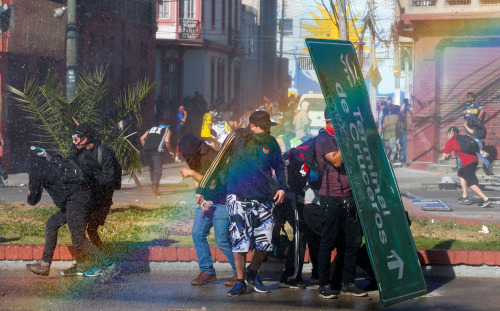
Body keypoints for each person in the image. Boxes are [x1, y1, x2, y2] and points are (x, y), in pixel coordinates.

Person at [196, 110, 287, 296]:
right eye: (265, 127)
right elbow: (218, 161)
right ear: (252, 126)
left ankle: (252, 273)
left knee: (265, 242)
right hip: (238, 197)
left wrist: (282, 187)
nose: (268, 131)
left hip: (263, 198)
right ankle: (240, 281)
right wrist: (202, 188)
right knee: (240, 242)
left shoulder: (270, 142)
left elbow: (279, 165)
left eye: (269, 127)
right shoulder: (236, 137)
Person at [24, 149, 119, 282]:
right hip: (79, 197)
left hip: (76, 201)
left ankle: (110, 266)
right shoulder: (53, 162)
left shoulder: (35, 168)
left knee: (79, 239)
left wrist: (29, 194)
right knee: (52, 224)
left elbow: (33, 199)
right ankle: (44, 265)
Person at [316, 110, 368, 299]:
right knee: (328, 242)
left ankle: (348, 282)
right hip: (331, 198)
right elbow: (337, 161)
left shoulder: (348, 138)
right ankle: (323, 284)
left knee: (353, 242)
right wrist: (348, 140)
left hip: (351, 197)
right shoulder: (323, 139)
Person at [178, 134, 237, 286]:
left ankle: (240, 273)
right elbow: (198, 182)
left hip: (222, 201)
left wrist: (192, 173)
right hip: (208, 201)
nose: (185, 157)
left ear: (195, 150)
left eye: (186, 154)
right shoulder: (192, 156)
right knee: (197, 233)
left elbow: (212, 183)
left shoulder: (212, 157)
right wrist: (199, 197)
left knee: (222, 240)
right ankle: (207, 271)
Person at [62, 124, 122, 275]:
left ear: (85, 138)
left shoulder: (103, 152)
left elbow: (111, 179)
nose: (73, 141)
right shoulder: (78, 152)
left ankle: (104, 263)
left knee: (91, 230)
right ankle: (84, 263)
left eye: (75, 138)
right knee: (78, 232)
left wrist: (91, 176)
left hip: (102, 199)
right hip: (85, 198)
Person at [441, 126, 492, 208]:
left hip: (468, 162)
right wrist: (482, 153)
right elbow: (477, 148)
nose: (448, 135)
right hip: (475, 160)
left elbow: (443, 158)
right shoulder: (465, 137)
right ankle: (464, 196)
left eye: (448, 133)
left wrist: (447, 157)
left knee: (471, 183)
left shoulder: (450, 141)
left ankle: (486, 199)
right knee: (461, 173)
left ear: (451, 133)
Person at [140, 122, 173, 196]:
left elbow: (142, 138)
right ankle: (155, 186)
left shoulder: (151, 129)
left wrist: (145, 147)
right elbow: (167, 141)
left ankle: (153, 184)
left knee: (151, 168)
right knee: (158, 169)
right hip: (157, 151)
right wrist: (170, 151)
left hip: (147, 151)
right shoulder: (167, 130)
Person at [400, 99, 412, 166]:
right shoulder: (412, 113)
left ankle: (404, 162)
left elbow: (405, 126)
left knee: (404, 148)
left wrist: (402, 128)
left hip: (406, 133)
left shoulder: (407, 115)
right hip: (411, 133)